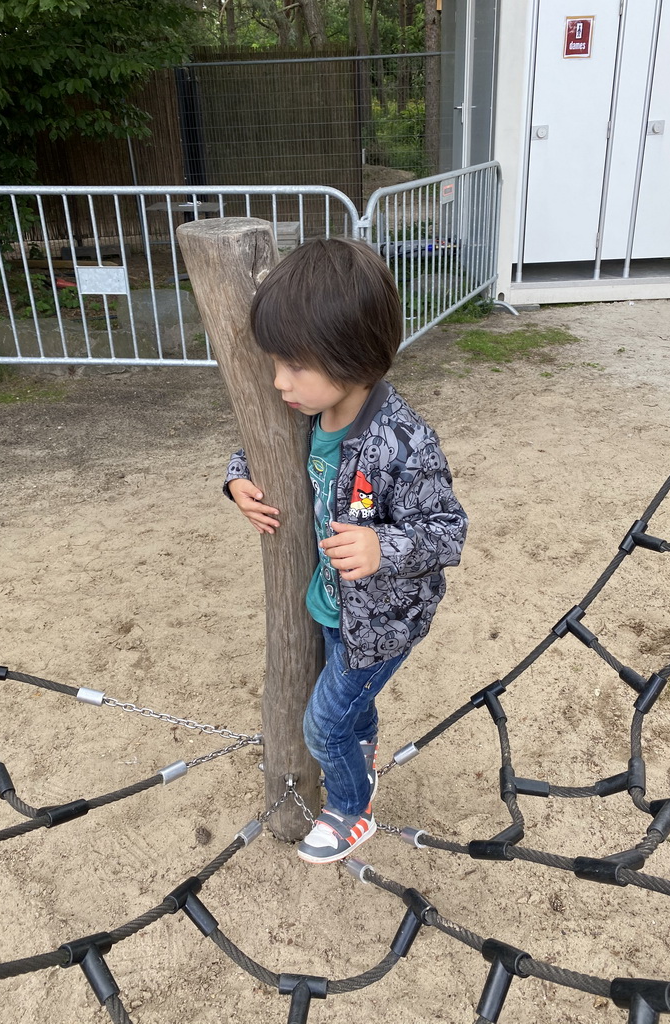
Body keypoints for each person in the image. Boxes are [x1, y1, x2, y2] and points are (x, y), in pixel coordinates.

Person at [224, 237, 467, 864]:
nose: (278, 382)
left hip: (382, 625)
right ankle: (363, 752)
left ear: (352, 355)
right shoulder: (306, 414)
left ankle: (351, 810)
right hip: (331, 607)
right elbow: (259, 449)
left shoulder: (404, 440)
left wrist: (382, 545)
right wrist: (236, 481)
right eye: (274, 363)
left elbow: (449, 530)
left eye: (293, 365)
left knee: (322, 724)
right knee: (350, 718)